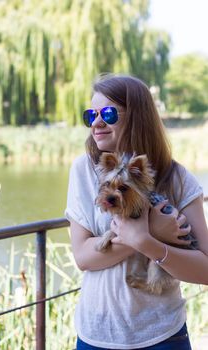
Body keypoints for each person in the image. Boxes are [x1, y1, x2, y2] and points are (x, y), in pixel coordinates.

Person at [65, 74, 208, 350]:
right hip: (96, 334)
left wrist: (147, 243)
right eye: (91, 114)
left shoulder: (177, 178)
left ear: (138, 116)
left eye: (108, 113)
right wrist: (150, 233)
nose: (96, 122)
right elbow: (83, 256)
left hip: (162, 335)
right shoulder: (83, 170)